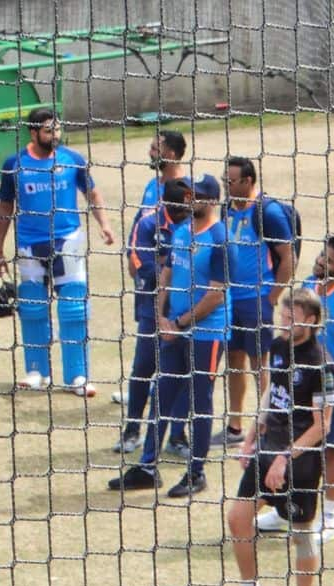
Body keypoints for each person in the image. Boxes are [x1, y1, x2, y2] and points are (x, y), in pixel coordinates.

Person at [108, 174, 237, 496]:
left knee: (200, 402)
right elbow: (165, 275)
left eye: (195, 195)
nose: (188, 199)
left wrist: (177, 324)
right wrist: (160, 317)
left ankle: (196, 473)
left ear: (209, 201)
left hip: (206, 334)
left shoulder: (220, 240)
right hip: (173, 329)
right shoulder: (181, 231)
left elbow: (215, 296)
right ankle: (148, 467)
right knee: (161, 395)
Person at [0, 108, 115, 396]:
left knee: (74, 310)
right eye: (49, 130)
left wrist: (105, 224)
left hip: (68, 243)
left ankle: (78, 376)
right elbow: (5, 208)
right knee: (32, 308)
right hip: (29, 246)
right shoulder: (15, 164)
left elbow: (92, 193)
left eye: (57, 129)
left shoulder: (72, 159)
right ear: (33, 132)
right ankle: (37, 372)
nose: (55, 135)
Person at [257, 236, 334, 543]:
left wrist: (332, 389)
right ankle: (283, 511)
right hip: (301, 387)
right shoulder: (308, 286)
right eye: (322, 255)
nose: (321, 261)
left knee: (331, 449)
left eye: (329, 261)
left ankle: (330, 517)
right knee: (294, 447)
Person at [228, 288, 334, 586]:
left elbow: (323, 424)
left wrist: (285, 458)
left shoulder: (321, 365)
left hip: (299, 463)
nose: (284, 323)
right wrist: (251, 436)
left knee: (301, 536)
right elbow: (272, 394)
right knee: (237, 518)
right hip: (267, 451)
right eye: (283, 316)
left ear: (311, 321)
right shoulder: (277, 346)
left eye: (291, 318)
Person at [211, 157, 295, 448]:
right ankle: (234, 426)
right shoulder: (225, 209)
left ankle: (267, 428)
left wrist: (270, 296)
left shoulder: (267, 213)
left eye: (230, 181)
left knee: (261, 365)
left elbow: (288, 259)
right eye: (224, 181)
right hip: (229, 300)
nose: (226, 186)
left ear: (248, 181)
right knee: (233, 361)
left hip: (255, 301)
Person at [112, 130, 186, 407]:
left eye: (156, 148)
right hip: (146, 280)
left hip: (172, 282)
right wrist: (133, 258)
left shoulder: (184, 190)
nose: (150, 152)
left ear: (172, 154)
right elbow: (138, 224)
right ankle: (143, 389)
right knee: (146, 342)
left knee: (169, 342)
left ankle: (161, 394)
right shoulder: (151, 185)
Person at [112, 191, 187, 453]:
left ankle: (177, 436)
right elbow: (141, 264)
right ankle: (131, 431)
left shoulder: (195, 224)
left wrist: (167, 264)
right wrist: (174, 269)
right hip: (151, 309)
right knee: (143, 369)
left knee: (182, 374)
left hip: (185, 311)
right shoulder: (148, 222)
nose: (183, 210)